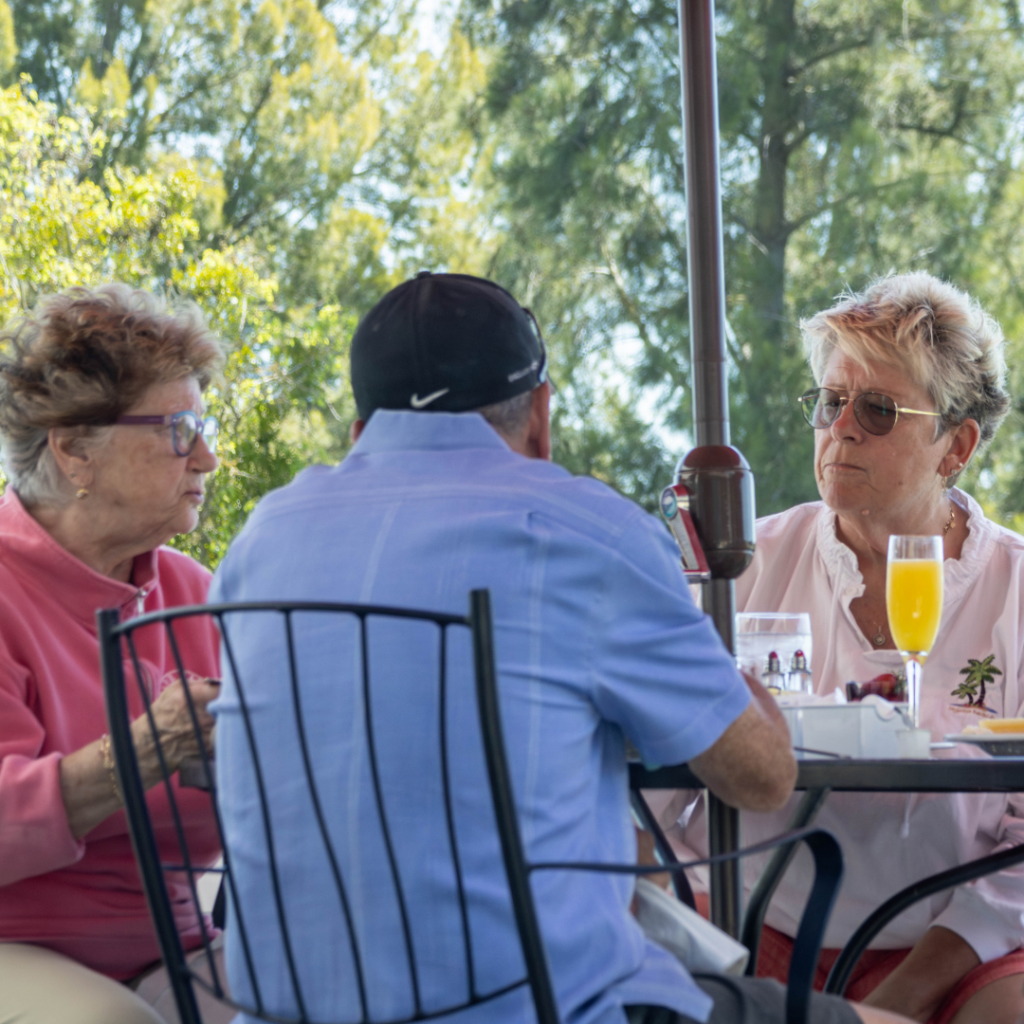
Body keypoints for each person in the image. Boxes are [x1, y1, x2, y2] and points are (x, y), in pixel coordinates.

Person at [211, 271, 912, 1024]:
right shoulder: (583, 532)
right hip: (538, 1011)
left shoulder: (261, 540)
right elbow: (763, 776)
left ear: (361, 434)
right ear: (539, 418)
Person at [666, 272, 1024, 1024]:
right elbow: (658, 778)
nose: (843, 428)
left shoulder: (1014, 587)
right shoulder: (743, 564)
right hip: (754, 918)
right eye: (831, 402)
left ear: (954, 445)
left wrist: (903, 996)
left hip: (950, 939)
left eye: (879, 409)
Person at [0, 284, 231, 1024]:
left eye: (205, 425)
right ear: (74, 449)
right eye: (179, 430)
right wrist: (136, 755)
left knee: (352, 988)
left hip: (179, 948)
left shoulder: (195, 592)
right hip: (20, 947)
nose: (209, 458)